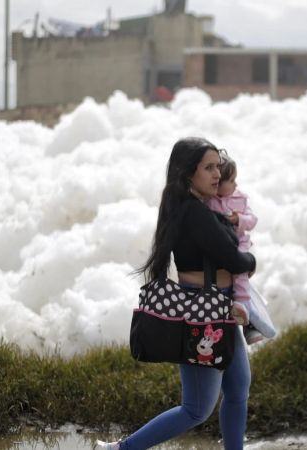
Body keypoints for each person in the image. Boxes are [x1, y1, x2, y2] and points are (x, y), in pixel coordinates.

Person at [96, 137, 257, 450]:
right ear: (188, 173)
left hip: (217, 308)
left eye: (218, 167)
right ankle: (121, 449)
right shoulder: (193, 213)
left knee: (238, 388)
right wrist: (251, 261)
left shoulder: (199, 208)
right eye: (208, 168)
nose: (217, 175)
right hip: (203, 312)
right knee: (197, 408)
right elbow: (233, 259)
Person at [205, 156, 275, 345]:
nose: (236, 184)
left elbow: (252, 220)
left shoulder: (240, 198)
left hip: (240, 244)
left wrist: (239, 220)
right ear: (219, 183)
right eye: (232, 181)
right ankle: (247, 314)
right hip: (220, 252)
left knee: (240, 275)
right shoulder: (208, 201)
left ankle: (245, 308)